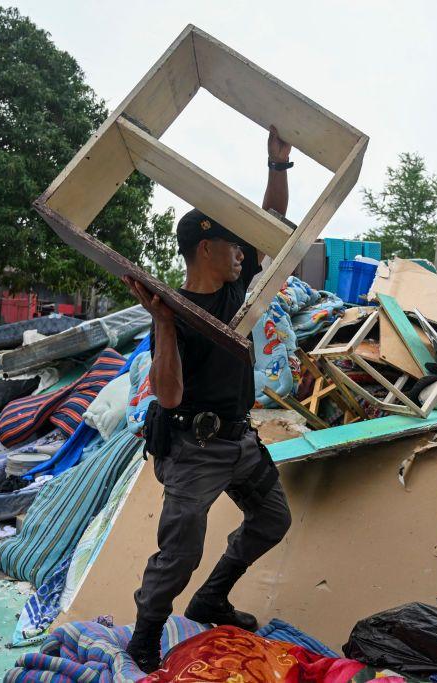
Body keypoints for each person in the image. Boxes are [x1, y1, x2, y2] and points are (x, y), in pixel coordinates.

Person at [122, 125, 295, 673]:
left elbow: (269, 230)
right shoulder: (172, 313)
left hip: (239, 439)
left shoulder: (235, 288)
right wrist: (164, 324)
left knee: (272, 520)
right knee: (179, 555)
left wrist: (278, 165)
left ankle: (211, 600)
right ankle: (145, 634)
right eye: (231, 246)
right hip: (192, 450)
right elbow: (168, 394)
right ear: (206, 248)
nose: (243, 255)